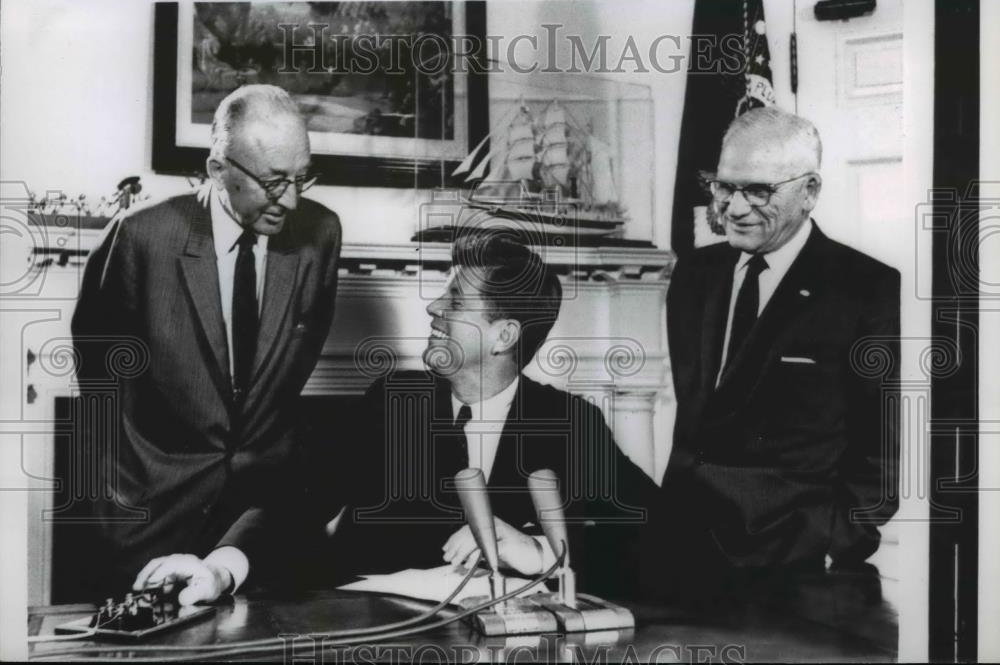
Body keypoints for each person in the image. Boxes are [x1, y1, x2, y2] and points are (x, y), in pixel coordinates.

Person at [70, 84, 342, 603]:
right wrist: (130, 487)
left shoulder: (322, 234)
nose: (291, 199)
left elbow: (289, 371)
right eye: (273, 181)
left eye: (302, 177)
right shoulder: (140, 238)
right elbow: (99, 376)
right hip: (148, 516)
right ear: (219, 170)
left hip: (256, 525)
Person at [309, 232, 657, 597]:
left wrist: (541, 552)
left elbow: (661, 533)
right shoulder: (392, 401)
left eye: (456, 300)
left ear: (503, 336)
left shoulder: (571, 422)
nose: (434, 308)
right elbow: (299, 503)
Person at [653, 107, 900, 597]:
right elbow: (698, 414)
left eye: (759, 191)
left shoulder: (866, 288)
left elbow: (887, 441)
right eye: (724, 187)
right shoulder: (695, 274)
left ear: (809, 192)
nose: (735, 208)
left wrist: (839, 540)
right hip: (683, 547)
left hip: (796, 561)